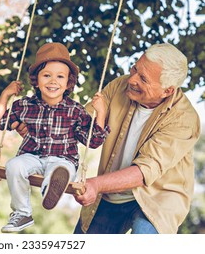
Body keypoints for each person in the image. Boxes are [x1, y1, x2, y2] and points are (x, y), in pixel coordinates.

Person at [70, 43, 200, 234]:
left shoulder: (184, 119)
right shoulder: (120, 85)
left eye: (143, 79)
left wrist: (96, 184)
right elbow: (82, 122)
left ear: (167, 91)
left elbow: (143, 171)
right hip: (110, 191)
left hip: (157, 199)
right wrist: (41, 128)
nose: (132, 79)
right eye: (135, 69)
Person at [0, 42, 110, 233]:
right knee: (14, 165)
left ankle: (52, 188)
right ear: (36, 80)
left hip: (63, 159)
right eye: (46, 75)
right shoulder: (24, 105)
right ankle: (22, 213)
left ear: (68, 83)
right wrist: (5, 95)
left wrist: (101, 113)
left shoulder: (75, 110)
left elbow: (94, 141)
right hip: (32, 156)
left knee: (59, 169)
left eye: (60, 76)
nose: (53, 81)